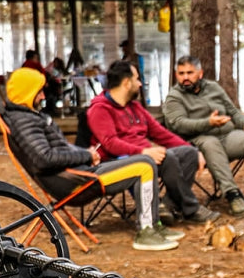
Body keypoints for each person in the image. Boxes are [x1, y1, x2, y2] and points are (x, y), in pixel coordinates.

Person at [1, 66, 182, 251]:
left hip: (77, 174)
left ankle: (154, 224)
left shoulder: (28, 117)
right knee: (145, 165)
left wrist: (87, 155)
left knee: (144, 162)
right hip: (74, 182)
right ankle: (147, 231)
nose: (43, 96)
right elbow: (44, 159)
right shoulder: (24, 121)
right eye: (38, 91)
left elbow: (58, 149)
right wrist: (86, 155)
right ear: (26, 92)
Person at [87, 60, 220, 224]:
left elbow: (161, 133)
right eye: (137, 79)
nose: (140, 84)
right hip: (116, 162)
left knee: (188, 153)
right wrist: (143, 152)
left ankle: (165, 207)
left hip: (145, 156)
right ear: (127, 83)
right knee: (167, 157)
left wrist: (193, 150)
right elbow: (110, 143)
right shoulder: (100, 109)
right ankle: (190, 209)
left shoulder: (135, 107)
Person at [163, 55, 244, 216]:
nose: (185, 78)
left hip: (225, 136)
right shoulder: (174, 97)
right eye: (181, 73)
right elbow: (178, 124)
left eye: (190, 73)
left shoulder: (213, 88)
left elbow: (233, 111)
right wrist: (208, 123)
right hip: (195, 142)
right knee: (210, 143)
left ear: (200, 73)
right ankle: (233, 195)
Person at [22, 50, 61, 116]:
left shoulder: (24, 65)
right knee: (52, 89)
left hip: (28, 87)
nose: (37, 60)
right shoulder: (35, 65)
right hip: (37, 86)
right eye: (36, 58)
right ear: (33, 57)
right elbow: (42, 74)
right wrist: (45, 82)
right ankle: (50, 109)